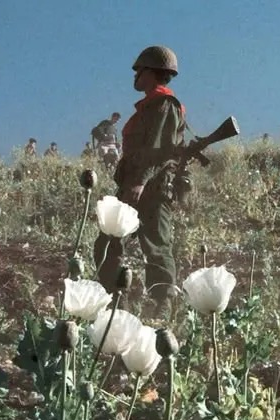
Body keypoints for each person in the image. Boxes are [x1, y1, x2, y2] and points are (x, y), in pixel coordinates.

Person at [93, 45, 187, 318]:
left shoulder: (165, 105)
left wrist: (141, 181)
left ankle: (162, 309)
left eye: (139, 70)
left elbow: (159, 150)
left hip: (151, 189)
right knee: (108, 243)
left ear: (152, 72)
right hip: (133, 186)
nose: (135, 75)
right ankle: (114, 305)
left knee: (157, 247)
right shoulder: (149, 107)